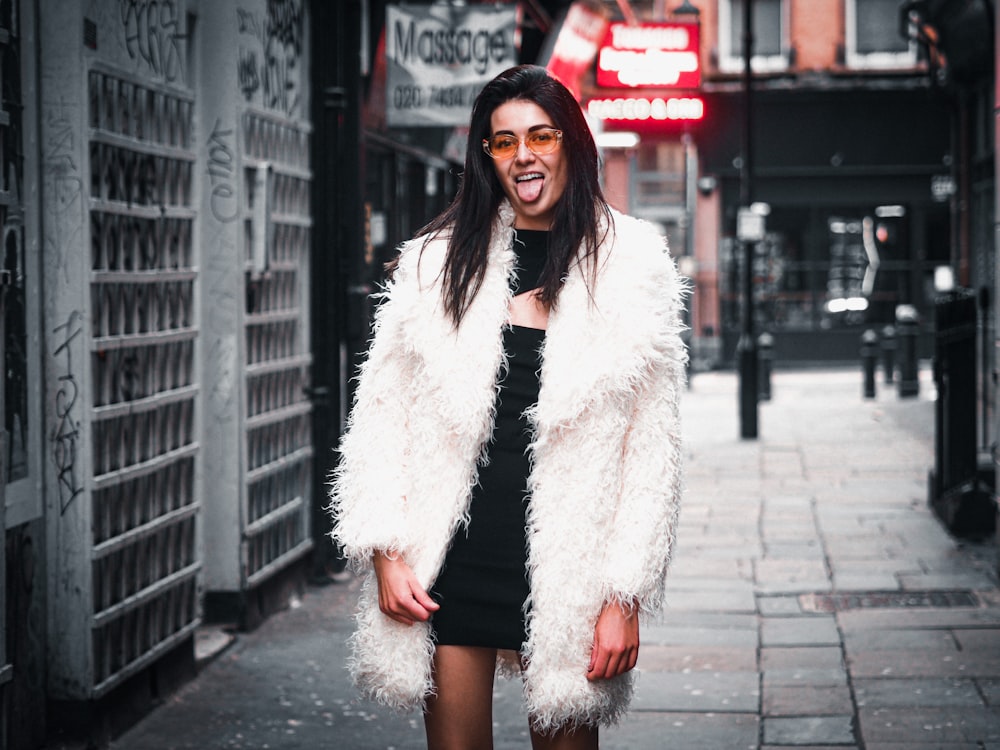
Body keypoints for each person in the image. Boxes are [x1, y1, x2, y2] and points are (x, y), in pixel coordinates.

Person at [329, 64, 687, 749]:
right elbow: (380, 417)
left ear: (571, 145)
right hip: (454, 563)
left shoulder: (633, 265)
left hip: (571, 569)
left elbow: (654, 452)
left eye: (540, 135)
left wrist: (625, 597)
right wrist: (386, 553)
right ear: (486, 157)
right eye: (503, 142)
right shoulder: (436, 264)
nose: (523, 154)